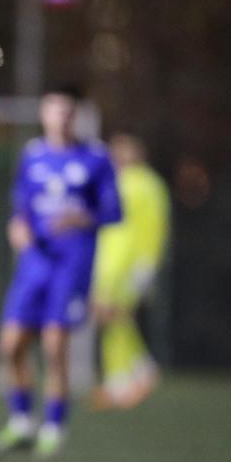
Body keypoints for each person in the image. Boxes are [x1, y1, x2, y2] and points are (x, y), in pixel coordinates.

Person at [0, 84, 121, 459]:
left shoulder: (95, 157)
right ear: (44, 114)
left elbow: (114, 210)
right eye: (52, 110)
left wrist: (85, 216)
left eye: (66, 110)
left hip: (72, 265)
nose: (59, 117)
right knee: (10, 346)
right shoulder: (33, 155)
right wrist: (18, 227)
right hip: (34, 264)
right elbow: (21, 208)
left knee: (54, 344)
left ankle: (55, 427)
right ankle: (21, 423)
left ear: (75, 115)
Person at [90, 133, 169, 410]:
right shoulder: (126, 181)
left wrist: (147, 263)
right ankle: (128, 377)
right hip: (113, 262)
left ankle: (129, 377)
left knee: (113, 316)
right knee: (113, 318)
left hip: (126, 264)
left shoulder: (142, 183)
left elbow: (153, 226)